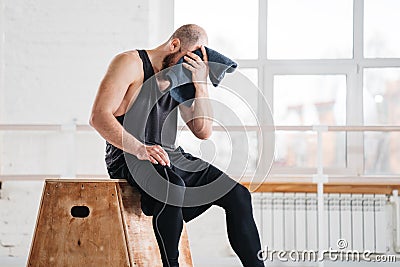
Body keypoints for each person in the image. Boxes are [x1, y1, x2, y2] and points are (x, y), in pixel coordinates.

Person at [89, 24, 265, 267]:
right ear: (174, 45)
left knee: (238, 194)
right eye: (188, 57)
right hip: (129, 155)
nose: (189, 65)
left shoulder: (177, 74)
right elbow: (99, 117)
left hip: (169, 156)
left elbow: (203, 131)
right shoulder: (129, 63)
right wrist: (140, 148)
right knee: (173, 186)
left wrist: (201, 85)